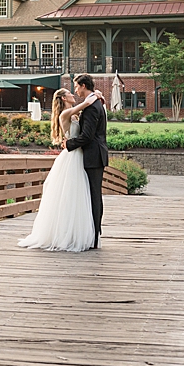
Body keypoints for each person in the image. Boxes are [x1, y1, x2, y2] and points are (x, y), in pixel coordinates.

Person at [17, 85, 103, 252]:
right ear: (64, 98)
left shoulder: (73, 114)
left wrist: (96, 95)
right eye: (70, 93)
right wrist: (93, 96)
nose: (73, 94)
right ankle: (66, 233)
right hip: (72, 157)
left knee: (76, 195)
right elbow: (86, 103)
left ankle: (75, 231)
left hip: (78, 155)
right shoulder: (65, 114)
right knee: (70, 194)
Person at [66, 73, 109, 249]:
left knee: (93, 196)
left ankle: (94, 237)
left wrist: (68, 143)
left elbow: (87, 136)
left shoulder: (91, 107)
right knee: (94, 195)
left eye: (76, 86)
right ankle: (94, 235)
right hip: (97, 155)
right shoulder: (96, 102)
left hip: (93, 156)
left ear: (83, 85)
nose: (75, 90)